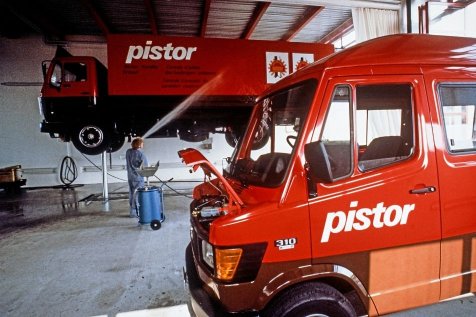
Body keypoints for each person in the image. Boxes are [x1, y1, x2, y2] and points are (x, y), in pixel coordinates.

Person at [126, 137, 148, 218]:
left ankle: (132, 212)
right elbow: (145, 167)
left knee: (132, 194)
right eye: (142, 143)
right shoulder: (141, 154)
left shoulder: (128, 152)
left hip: (130, 177)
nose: (143, 144)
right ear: (139, 144)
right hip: (138, 178)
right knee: (138, 194)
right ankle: (137, 212)